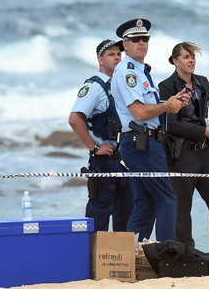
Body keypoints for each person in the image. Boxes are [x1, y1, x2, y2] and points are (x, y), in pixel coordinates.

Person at [110, 18, 190, 242]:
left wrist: (172, 102)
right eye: (135, 40)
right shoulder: (128, 72)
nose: (141, 43)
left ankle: (130, 258)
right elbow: (139, 112)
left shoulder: (141, 71)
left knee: (145, 203)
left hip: (142, 142)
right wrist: (166, 106)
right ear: (125, 44)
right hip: (140, 143)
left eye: (145, 39)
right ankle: (168, 253)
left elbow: (148, 110)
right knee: (166, 198)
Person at [159, 42, 209, 255]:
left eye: (192, 56)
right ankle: (184, 255)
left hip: (206, 154)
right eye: (185, 57)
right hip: (181, 154)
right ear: (175, 61)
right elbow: (171, 125)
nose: (191, 60)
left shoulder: (203, 82)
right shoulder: (166, 87)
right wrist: (203, 131)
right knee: (181, 210)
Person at [68, 39, 132, 231]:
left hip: (124, 160)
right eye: (111, 54)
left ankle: (119, 260)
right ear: (100, 59)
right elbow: (74, 119)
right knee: (99, 217)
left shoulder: (121, 86)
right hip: (104, 161)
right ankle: (94, 260)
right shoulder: (94, 87)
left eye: (119, 54)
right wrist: (95, 148)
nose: (116, 58)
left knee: (126, 217)